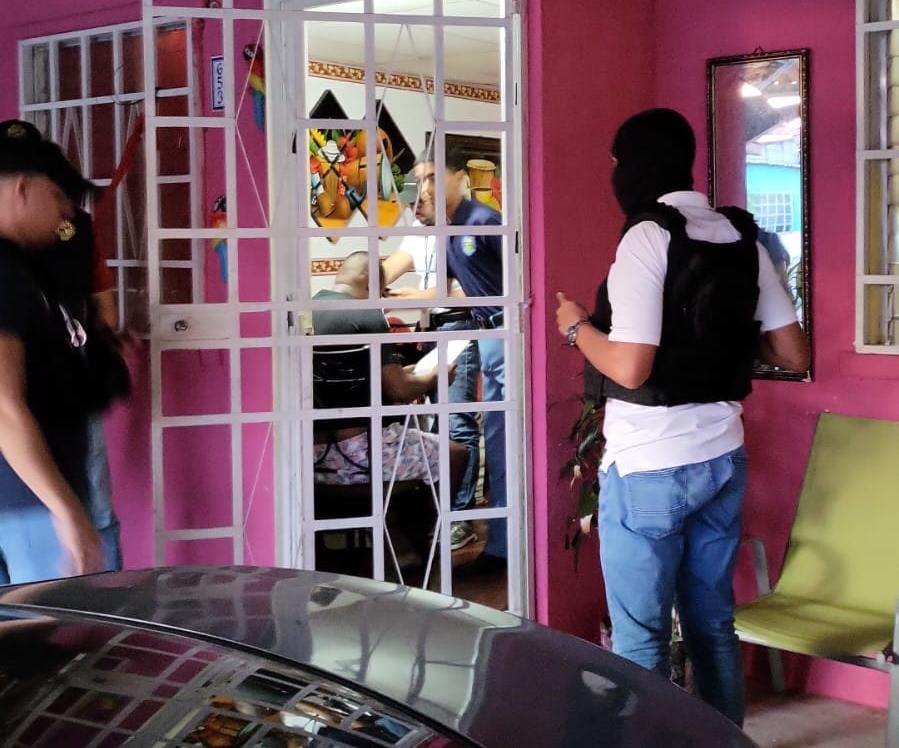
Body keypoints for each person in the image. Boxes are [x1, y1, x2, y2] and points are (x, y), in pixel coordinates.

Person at [555, 108, 810, 725]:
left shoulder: (648, 235)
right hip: (722, 456)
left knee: (640, 639)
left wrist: (576, 326)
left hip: (650, 464)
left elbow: (630, 367)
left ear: (633, 165)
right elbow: (793, 352)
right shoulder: (741, 236)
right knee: (711, 623)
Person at [0, 119, 104, 584]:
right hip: (25, 503)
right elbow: (4, 405)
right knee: (48, 625)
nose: (67, 216)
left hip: (24, 500)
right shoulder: (3, 273)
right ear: (23, 188)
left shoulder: (24, 267)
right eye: (59, 197)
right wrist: (66, 510)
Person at [398, 146, 507, 572]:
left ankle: (503, 547)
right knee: (497, 440)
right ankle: (500, 545)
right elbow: (446, 289)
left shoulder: (483, 222)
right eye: (419, 181)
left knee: (503, 438)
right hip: (485, 335)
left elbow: (518, 281)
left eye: (431, 177)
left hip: (505, 333)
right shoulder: (445, 230)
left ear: (459, 176)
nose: (423, 188)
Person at [311, 251, 467, 494]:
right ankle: (427, 520)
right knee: (455, 454)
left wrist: (402, 373)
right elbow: (400, 391)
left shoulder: (310, 309)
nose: (381, 297)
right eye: (382, 289)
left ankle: (394, 517)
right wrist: (436, 376)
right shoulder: (366, 313)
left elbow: (353, 378)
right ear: (368, 279)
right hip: (364, 453)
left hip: (316, 455)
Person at [383, 224, 481, 551]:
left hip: (459, 323)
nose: (417, 204)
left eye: (423, 200)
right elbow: (387, 270)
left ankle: (459, 517)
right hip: (433, 328)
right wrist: (370, 287)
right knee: (438, 424)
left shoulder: (465, 231)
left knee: (455, 421)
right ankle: (440, 514)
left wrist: (413, 296)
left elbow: (474, 291)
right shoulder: (418, 232)